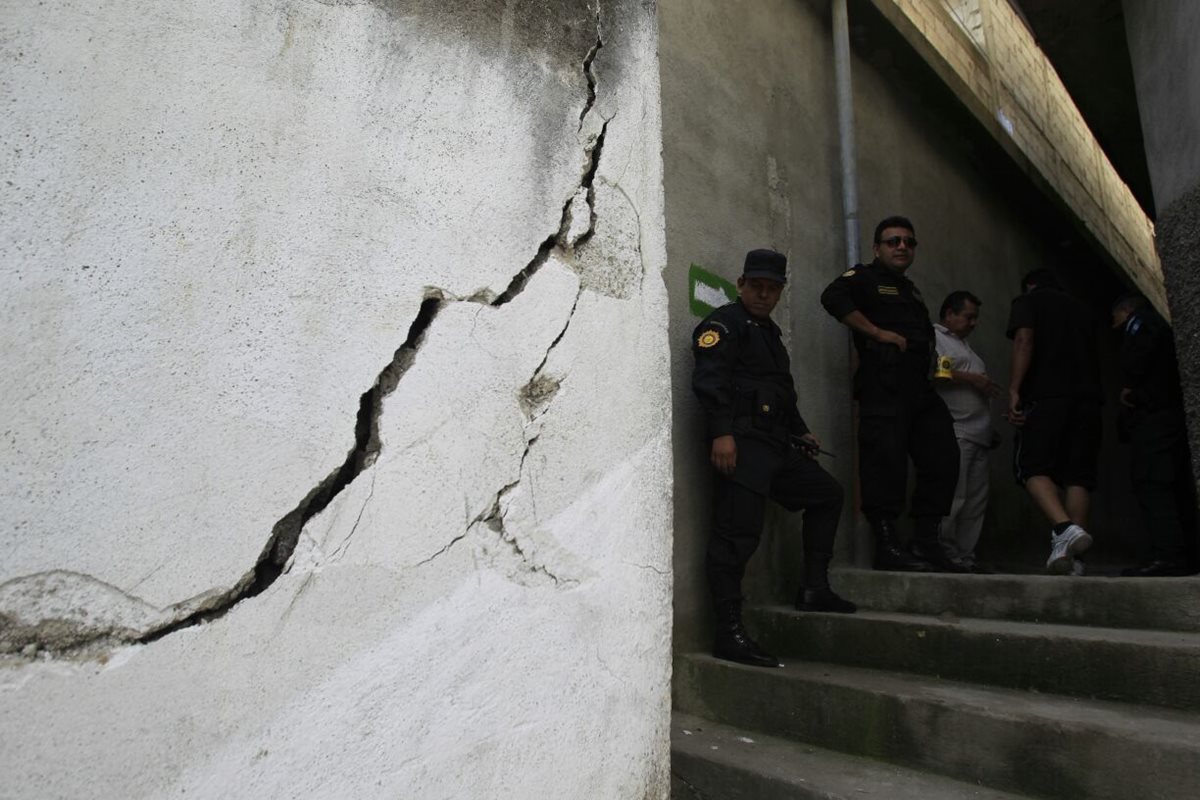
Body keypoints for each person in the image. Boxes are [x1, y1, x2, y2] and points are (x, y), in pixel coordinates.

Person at [693, 248, 855, 669]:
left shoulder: (770, 334)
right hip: (741, 447)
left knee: (826, 494)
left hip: (776, 446)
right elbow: (711, 382)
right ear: (741, 284)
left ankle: (815, 587)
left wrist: (801, 431)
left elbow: (781, 390)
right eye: (757, 287)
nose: (764, 295)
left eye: (773, 289)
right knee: (736, 538)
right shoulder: (724, 325)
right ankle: (728, 632)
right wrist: (721, 433)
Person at [820, 216, 962, 572]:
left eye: (909, 242)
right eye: (893, 241)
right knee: (885, 464)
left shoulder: (910, 290)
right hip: (884, 387)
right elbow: (831, 297)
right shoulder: (865, 278)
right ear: (877, 248)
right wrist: (877, 333)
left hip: (919, 389)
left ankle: (927, 540)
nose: (902, 247)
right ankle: (886, 547)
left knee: (943, 456)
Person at [1005, 268, 1101, 574]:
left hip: (1047, 397)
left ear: (1030, 286)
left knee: (1031, 467)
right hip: (1087, 401)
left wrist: (1015, 389)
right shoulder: (1083, 310)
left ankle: (1063, 529)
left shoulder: (1029, 301)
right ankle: (1075, 560)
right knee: (1077, 476)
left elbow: (1024, 339)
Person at [1111, 294, 1197, 576]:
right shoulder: (1160, 324)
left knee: (1153, 483)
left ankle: (1168, 556)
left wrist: (1132, 390)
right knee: (1173, 485)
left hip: (1155, 417)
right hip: (1168, 416)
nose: (1116, 327)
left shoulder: (1142, 323)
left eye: (1116, 320)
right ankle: (1182, 554)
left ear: (1125, 311)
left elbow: (1139, 360)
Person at [933, 291, 1000, 572]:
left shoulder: (966, 346)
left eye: (975, 318)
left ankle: (966, 556)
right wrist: (972, 379)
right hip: (957, 432)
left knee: (974, 502)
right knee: (955, 498)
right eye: (968, 316)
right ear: (949, 314)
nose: (973, 323)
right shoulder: (937, 338)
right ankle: (946, 553)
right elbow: (935, 372)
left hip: (979, 435)